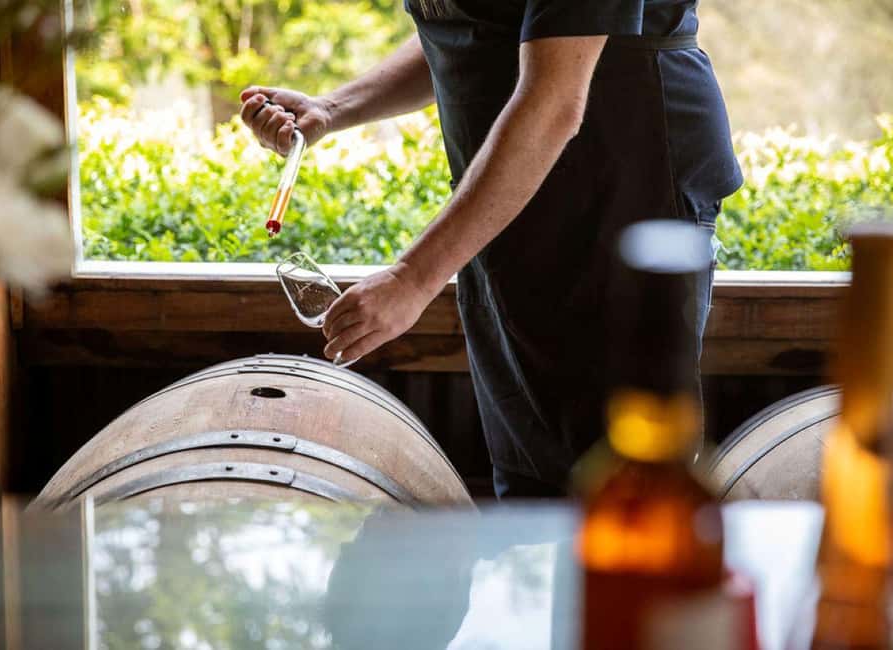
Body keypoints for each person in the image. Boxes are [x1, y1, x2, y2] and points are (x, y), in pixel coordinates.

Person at [240, 0, 742, 499]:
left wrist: (412, 278)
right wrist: (332, 108)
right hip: (509, 209)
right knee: (530, 465)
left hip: (627, 183)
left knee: (614, 469)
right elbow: (478, 25)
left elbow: (553, 105)